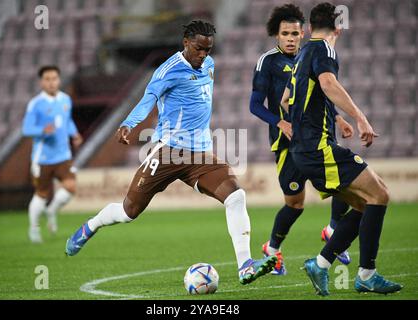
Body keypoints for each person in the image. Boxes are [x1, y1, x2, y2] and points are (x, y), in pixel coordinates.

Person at [65, 20, 277, 285]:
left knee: (236, 195)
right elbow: (148, 99)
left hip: (199, 154)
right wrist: (129, 124)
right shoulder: (168, 70)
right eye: (199, 49)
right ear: (186, 42)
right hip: (167, 152)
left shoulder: (208, 65)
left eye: (208, 50)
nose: (204, 55)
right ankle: (91, 226)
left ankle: (245, 266)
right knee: (129, 211)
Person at [280, 2, 402, 295]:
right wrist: (359, 118)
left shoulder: (302, 55)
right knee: (380, 194)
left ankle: (320, 265)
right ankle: (367, 274)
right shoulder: (325, 49)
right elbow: (327, 82)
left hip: (303, 150)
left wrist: (332, 118)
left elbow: (286, 99)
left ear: (309, 28)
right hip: (317, 148)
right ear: (338, 29)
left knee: (363, 203)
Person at [250, 4, 352, 275]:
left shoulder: (309, 55)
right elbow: (255, 105)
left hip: (316, 137)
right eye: (286, 33)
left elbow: (321, 93)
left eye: (295, 33)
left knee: (345, 184)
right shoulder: (268, 62)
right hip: (286, 143)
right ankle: (272, 250)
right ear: (277, 35)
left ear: (303, 33)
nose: (291, 38)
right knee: (295, 204)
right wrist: (279, 122)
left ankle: (332, 229)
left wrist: (338, 118)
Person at [22, 65, 83, 243]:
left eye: (54, 78)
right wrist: (42, 130)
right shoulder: (36, 104)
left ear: (59, 80)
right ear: (42, 82)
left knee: (71, 187)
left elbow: (67, 120)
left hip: (63, 155)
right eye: (47, 79)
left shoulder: (65, 100)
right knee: (41, 193)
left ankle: (52, 210)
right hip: (43, 158)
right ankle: (34, 229)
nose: (51, 82)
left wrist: (74, 133)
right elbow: (26, 129)